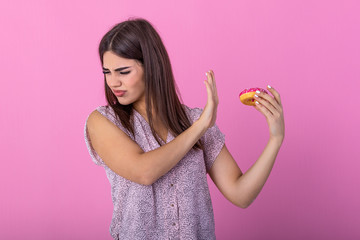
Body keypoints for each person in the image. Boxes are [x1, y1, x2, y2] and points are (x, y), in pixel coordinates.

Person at [84, 17, 285, 240]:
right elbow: (144, 172)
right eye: (107, 72)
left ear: (151, 66)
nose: (113, 82)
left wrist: (275, 139)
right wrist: (199, 128)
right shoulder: (103, 121)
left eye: (123, 72)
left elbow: (241, 194)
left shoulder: (196, 120)